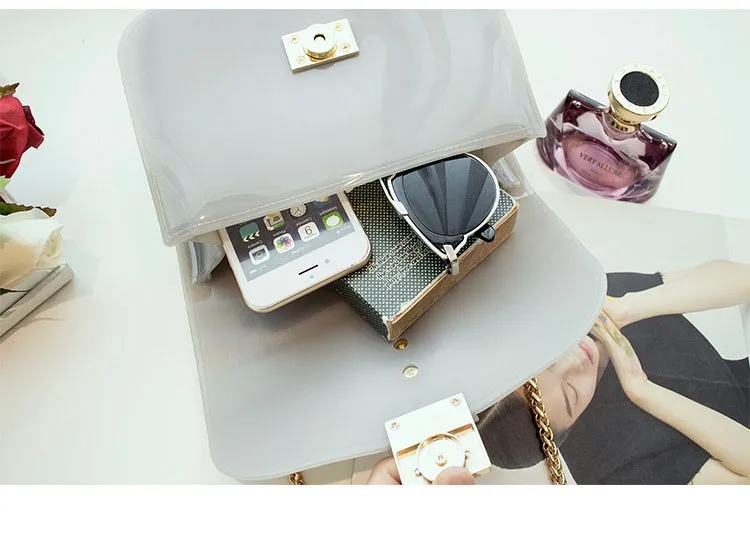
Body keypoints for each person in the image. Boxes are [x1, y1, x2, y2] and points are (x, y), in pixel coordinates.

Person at [477, 259, 750, 485]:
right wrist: (642, 390)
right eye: (571, 393)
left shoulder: (592, 309)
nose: (575, 361)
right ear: (569, 430)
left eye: (550, 361)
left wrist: (629, 308)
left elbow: (742, 278)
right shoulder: (616, 469)